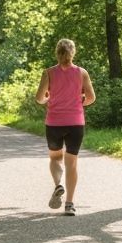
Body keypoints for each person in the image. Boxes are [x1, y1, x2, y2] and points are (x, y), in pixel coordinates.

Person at [35, 39, 95, 215]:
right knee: (72, 163)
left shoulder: (48, 73)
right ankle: (69, 204)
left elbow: (39, 98)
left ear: (57, 53)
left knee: (55, 158)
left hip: (54, 123)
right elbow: (91, 98)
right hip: (76, 123)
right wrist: (79, 100)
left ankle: (58, 184)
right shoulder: (82, 73)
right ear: (73, 52)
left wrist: (48, 98)